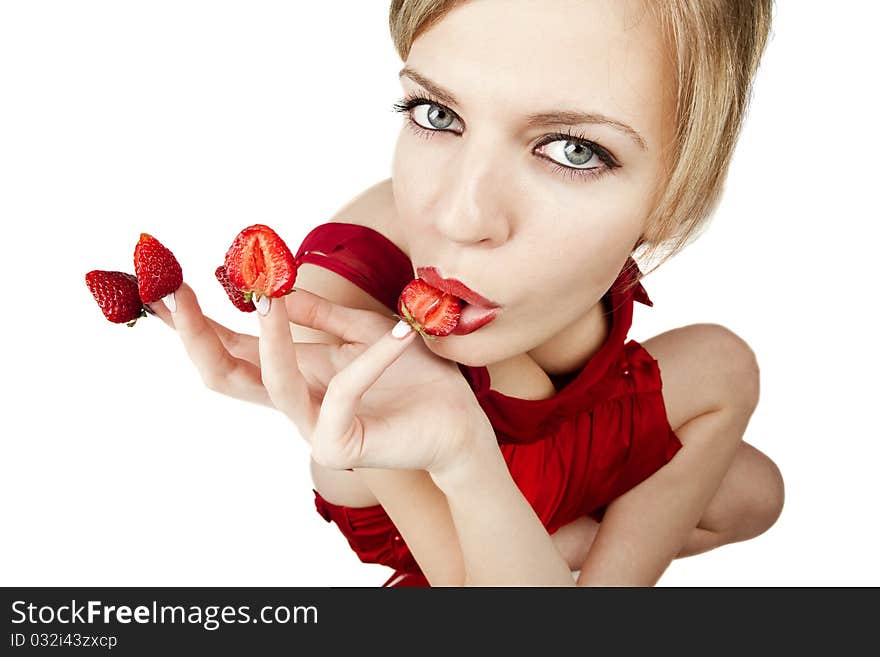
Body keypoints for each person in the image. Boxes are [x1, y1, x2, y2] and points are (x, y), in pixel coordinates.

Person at [145, 0, 784, 586]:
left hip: (554, 444)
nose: (460, 217)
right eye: (438, 114)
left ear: (678, 190)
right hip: (438, 504)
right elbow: (463, 579)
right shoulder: (342, 301)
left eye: (573, 149)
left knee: (754, 483)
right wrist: (464, 458)